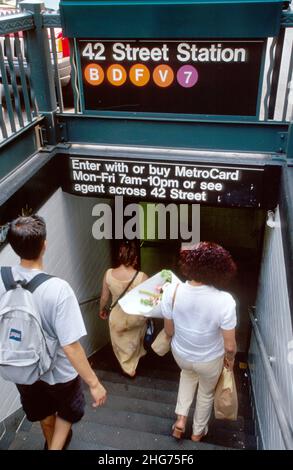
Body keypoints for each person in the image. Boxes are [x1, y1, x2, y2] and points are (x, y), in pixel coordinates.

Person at [0, 215, 107, 450]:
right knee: (68, 410)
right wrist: (94, 383)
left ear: (13, 247)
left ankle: (50, 441)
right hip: (58, 375)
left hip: (23, 367)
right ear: (44, 245)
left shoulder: (1, 279)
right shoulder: (59, 289)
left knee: (42, 410)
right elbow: (71, 345)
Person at [161, 242, 237, 442]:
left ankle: (180, 421)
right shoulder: (225, 301)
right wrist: (230, 360)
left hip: (182, 354)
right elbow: (229, 345)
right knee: (205, 393)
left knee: (187, 375)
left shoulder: (172, 291)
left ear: (189, 265)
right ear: (219, 270)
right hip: (210, 360)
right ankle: (196, 433)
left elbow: (169, 330)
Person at [99, 241, 148, 377]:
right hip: (135, 317)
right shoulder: (142, 277)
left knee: (121, 342)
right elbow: (149, 301)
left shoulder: (108, 274)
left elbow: (104, 297)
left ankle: (127, 366)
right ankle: (135, 359)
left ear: (120, 256)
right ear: (135, 258)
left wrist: (102, 309)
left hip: (117, 317)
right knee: (134, 338)